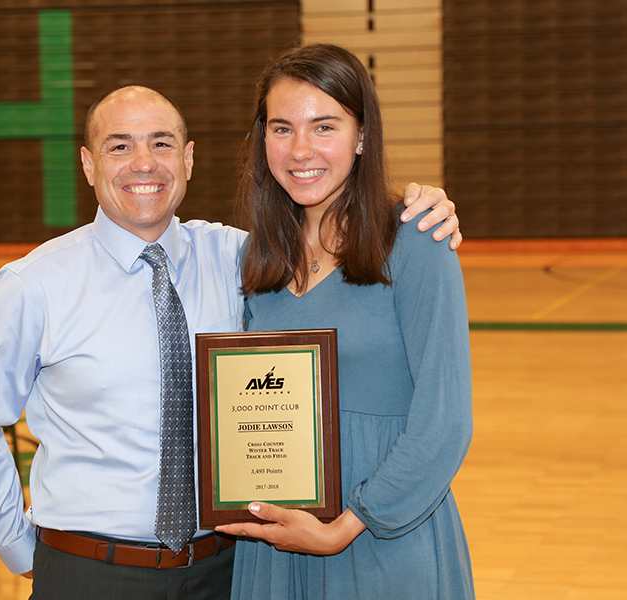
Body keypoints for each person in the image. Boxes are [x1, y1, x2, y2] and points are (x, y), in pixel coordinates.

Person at [0, 85, 461, 599]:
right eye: (119, 146)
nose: (144, 162)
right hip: (90, 570)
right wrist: (20, 548)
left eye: (162, 143)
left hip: (228, 568)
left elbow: (330, 245)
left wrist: (419, 202)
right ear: (87, 163)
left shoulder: (243, 259)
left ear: (188, 159)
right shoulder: (35, 283)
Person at [214, 44, 475, 599]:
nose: (300, 149)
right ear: (262, 141)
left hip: (383, 537)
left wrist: (343, 527)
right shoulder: (253, 262)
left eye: (324, 126)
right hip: (277, 549)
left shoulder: (416, 241)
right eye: (281, 128)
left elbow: (445, 422)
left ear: (361, 137)